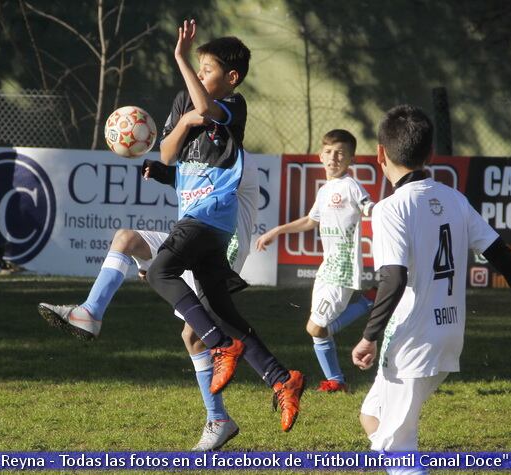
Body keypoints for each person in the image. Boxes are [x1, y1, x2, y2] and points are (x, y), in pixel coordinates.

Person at [352, 105, 511, 469]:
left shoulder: (390, 209)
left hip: (412, 343)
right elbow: (500, 252)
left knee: (395, 450)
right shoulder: (454, 199)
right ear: (430, 154)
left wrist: (369, 335)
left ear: (380, 154)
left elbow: (394, 277)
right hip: (448, 333)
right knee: (372, 416)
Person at [37, 153, 259, 451]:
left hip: (220, 247)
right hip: (190, 240)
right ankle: (90, 312)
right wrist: (166, 174)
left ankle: (219, 419)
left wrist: (165, 264)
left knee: (193, 336)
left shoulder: (234, 157)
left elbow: (209, 191)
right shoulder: (200, 151)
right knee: (126, 239)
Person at [146, 19, 304, 432]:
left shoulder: (234, 105)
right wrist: (182, 124)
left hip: (211, 212)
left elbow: (208, 110)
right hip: (199, 218)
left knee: (160, 271)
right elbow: (166, 155)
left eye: (207, 70)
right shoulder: (185, 104)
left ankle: (221, 347)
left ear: (230, 78)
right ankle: (282, 379)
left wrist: (179, 57)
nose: (199, 76)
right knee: (221, 309)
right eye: (198, 69)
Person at [256, 129, 375, 393]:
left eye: (341, 153)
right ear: (321, 156)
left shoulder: (350, 186)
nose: (334, 158)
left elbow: (372, 209)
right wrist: (277, 231)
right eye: (330, 152)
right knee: (318, 328)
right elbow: (311, 221)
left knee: (315, 327)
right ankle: (337, 381)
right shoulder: (325, 190)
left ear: (351, 161)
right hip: (327, 267)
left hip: (343, 268)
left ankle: (369, 302)